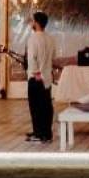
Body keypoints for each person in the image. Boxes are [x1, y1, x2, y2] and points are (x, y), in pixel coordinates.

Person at [25, 11, 57, 143]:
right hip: (47, 77)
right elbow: (53, 56)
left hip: (36, 77)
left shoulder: (32, 39)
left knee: (35, 107)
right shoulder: (50, 39)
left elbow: (32, 59)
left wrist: (36, 74)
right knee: (46, 105)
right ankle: (46, 133)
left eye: (32, 21)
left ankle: (39, 134)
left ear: (36, 23)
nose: (31, 23)